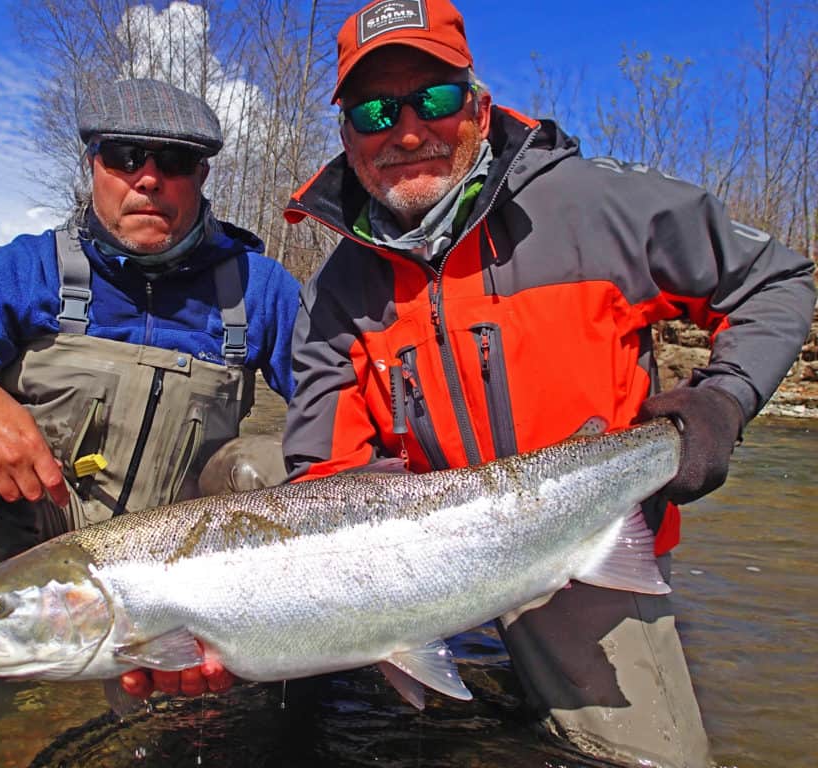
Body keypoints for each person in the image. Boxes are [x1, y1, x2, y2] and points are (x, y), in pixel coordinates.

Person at [280, 0, 816, 765]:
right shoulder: (336, 290)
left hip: (587, 536)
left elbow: (776, 281)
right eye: (375, 111)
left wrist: (723, 398)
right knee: (250, 483)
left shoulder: (597, 205)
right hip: (427, 558)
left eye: (434, 99)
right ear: (347, 136)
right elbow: (326, 472)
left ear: (478, 107)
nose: (407, 132)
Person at [0, 78, 299, 698]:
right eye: (126, 156)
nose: (148, 179)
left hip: (187, 563)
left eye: (175, 161)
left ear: (202, 176)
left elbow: (342, 404)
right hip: (47, 546)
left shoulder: (258, 289)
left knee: (279, 464)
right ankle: (7, 662)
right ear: (93, 165)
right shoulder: (28, 272)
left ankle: (238, 652)